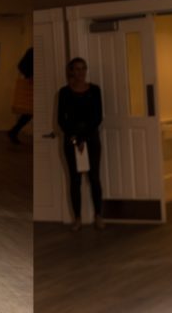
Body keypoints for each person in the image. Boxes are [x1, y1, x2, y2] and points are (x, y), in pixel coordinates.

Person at [56, 57, 104, 231]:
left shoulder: (95, 90)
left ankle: (98, 215)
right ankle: (77, 218)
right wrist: (75, 137)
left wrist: (83, 138)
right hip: (71, 141)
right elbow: (62, 119)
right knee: (75, 181)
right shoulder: (64, 92)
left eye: (83, 68)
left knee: (94, 179)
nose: (80, 72)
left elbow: (97, 117)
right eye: (77, 68)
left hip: (91, 140)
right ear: (71, 71)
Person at [7, 47, 33, 144]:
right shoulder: (33, 51)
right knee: (29, 111)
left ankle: (14, 131)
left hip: (33, 84)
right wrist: (30, 75)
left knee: (29, 112)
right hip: (31, 85)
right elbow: (21, 66)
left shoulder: (33, 50)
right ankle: (14, 131)